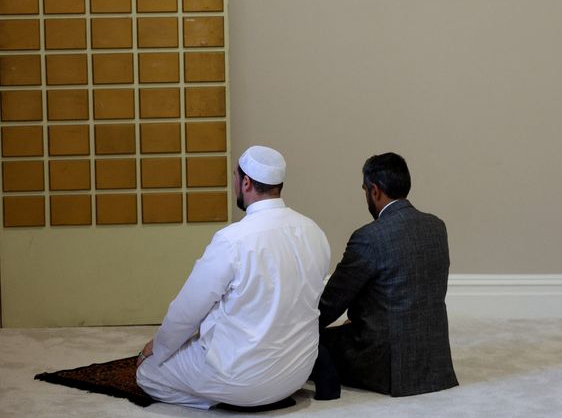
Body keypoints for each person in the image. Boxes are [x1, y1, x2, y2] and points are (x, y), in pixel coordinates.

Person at [136, 146, 331, 409]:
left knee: (148, 374)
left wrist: (157, 349)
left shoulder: (233, 239)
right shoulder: (314, 232)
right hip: (296, 374)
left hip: (239, 377)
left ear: (246, 182)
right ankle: (236, 395)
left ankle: (224, 401)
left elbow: (187, 311)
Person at [314, 152, 458, 397]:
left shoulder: (368, 237)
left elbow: (331, 303)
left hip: (388, 365)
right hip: (435, 361)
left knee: (312, 344)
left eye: (364, 191)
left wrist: (295, 329)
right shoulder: (437, 227)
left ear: (375, 190)